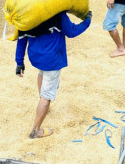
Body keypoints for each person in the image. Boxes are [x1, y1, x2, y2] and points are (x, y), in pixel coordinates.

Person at [15, 11, 92, 139]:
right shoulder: (57, 12)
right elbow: (72, 31)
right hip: (52, 59)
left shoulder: (27, 12)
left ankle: (44, 106)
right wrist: (87, 21)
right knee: (47, 96)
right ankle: (36, 130)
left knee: (41, 73)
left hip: (36, 57)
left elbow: (22, 39)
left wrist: (19, 62)